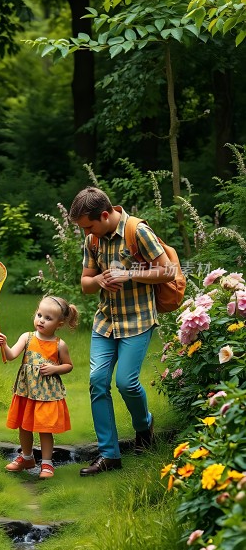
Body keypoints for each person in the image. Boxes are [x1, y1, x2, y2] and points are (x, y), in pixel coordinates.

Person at [69, 186, 176, 476]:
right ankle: (109, 455)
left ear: (105, 215)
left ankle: (144, 426)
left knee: (126, 383)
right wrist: (99, 281)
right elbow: (85, 283)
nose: (86, 232)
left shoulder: (137, 231)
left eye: (88, 226)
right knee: (97, 381)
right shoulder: (93, 239)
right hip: (105, 322)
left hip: (138, 320)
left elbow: (168, 271)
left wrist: (128, 274)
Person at [0, 296, 79, 479]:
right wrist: (4, 345)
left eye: (48, 318)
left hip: (47, 395)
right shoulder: (27, 337)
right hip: (26, 392)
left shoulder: (59, 345)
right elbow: (11, 355)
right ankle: (27, 457)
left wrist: (55, 368)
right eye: (39, 315)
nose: (41, 320)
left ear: (59, 324)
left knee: (45, 427)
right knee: (24, 426)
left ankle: (47, 463)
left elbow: (68, 366)